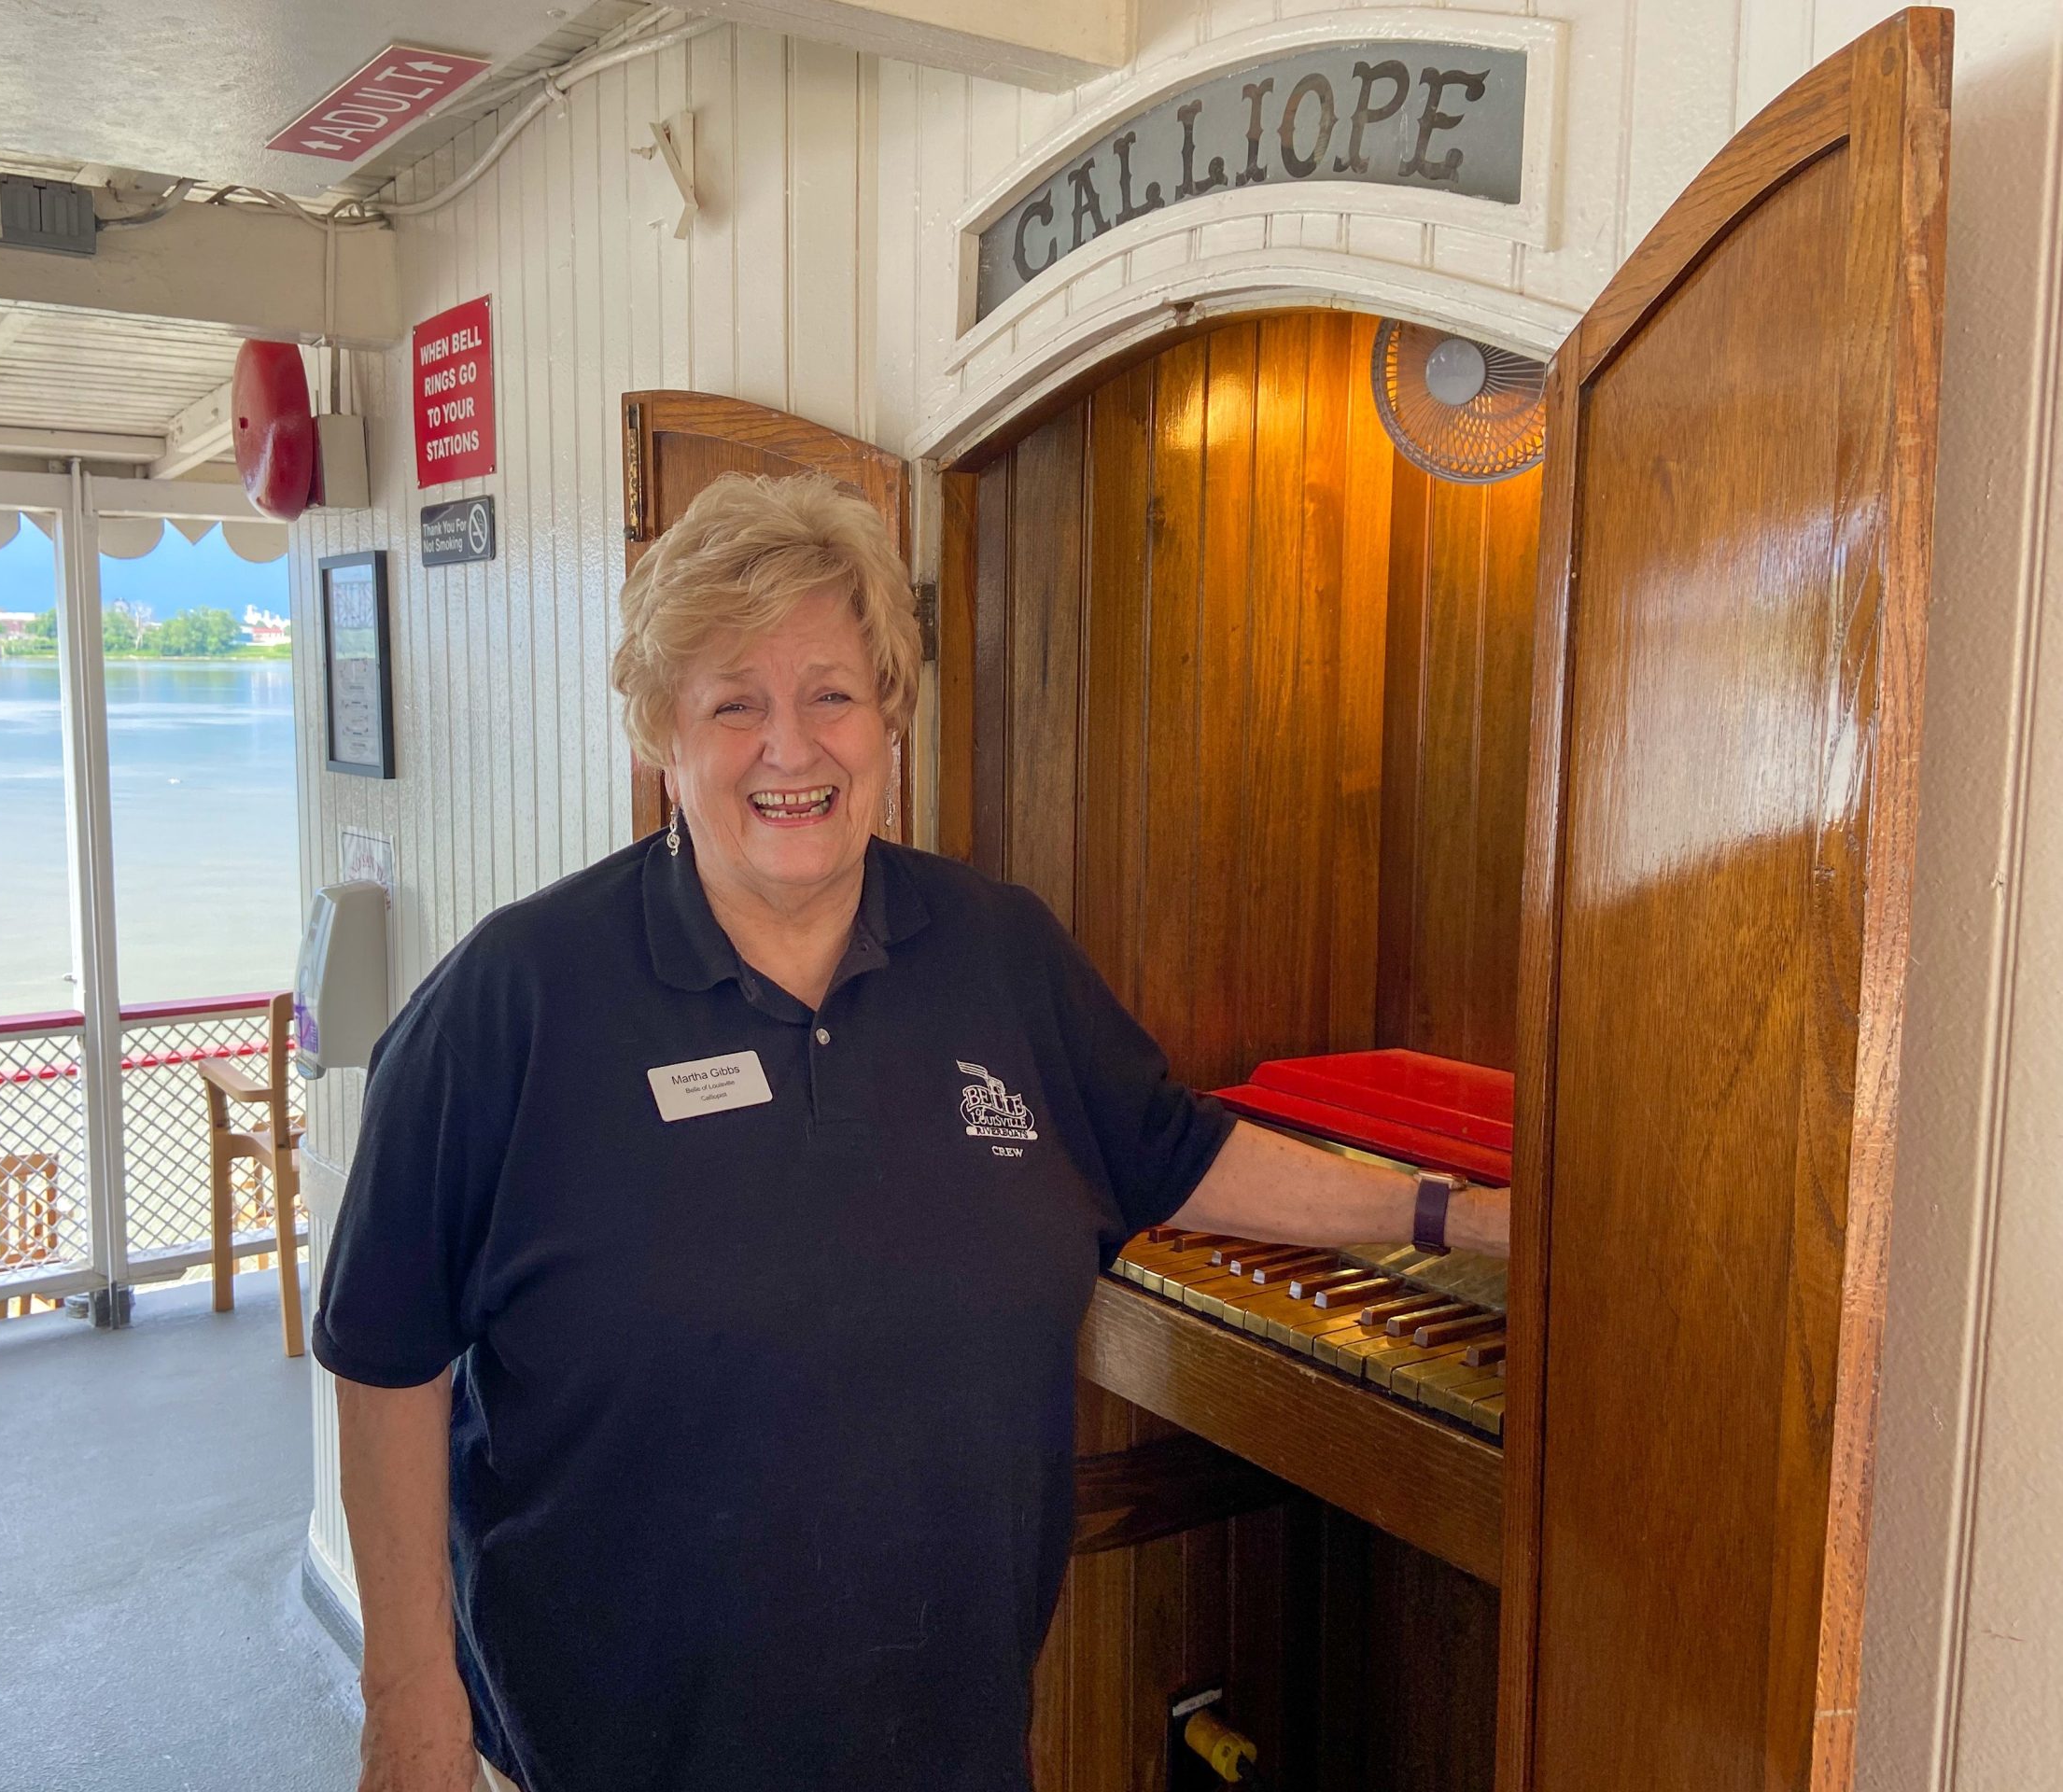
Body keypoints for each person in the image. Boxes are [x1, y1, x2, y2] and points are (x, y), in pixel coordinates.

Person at [312, 472, 1509, 1792]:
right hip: (620, 1742)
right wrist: (410, 1697)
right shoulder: (514, 1001)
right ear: (662, 732)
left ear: (892, 713)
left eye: (832, 692)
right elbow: (386, 1352)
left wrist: (1447, 1214)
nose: (792, 747)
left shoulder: (1000, 952)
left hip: (948, 1735)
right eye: (734, 703)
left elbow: (1173, 1150)